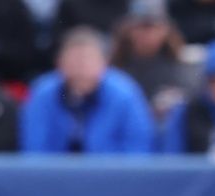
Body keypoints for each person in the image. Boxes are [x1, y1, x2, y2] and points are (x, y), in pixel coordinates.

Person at [21, 26, 155, 154]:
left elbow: (138, 148)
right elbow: (34, 148)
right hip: (54, 175)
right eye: (74, 59)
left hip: (111, 174)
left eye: (88, 59)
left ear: (104, 63)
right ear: (59, 63)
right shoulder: (42, 94)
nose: (81, 66)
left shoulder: (125, 94)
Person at [110, 0, 200, 123]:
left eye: (153, 27)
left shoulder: (179, 65)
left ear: (166, 30)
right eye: (140, 27)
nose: (147, 34)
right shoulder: (115, 67)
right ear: (128, 30)